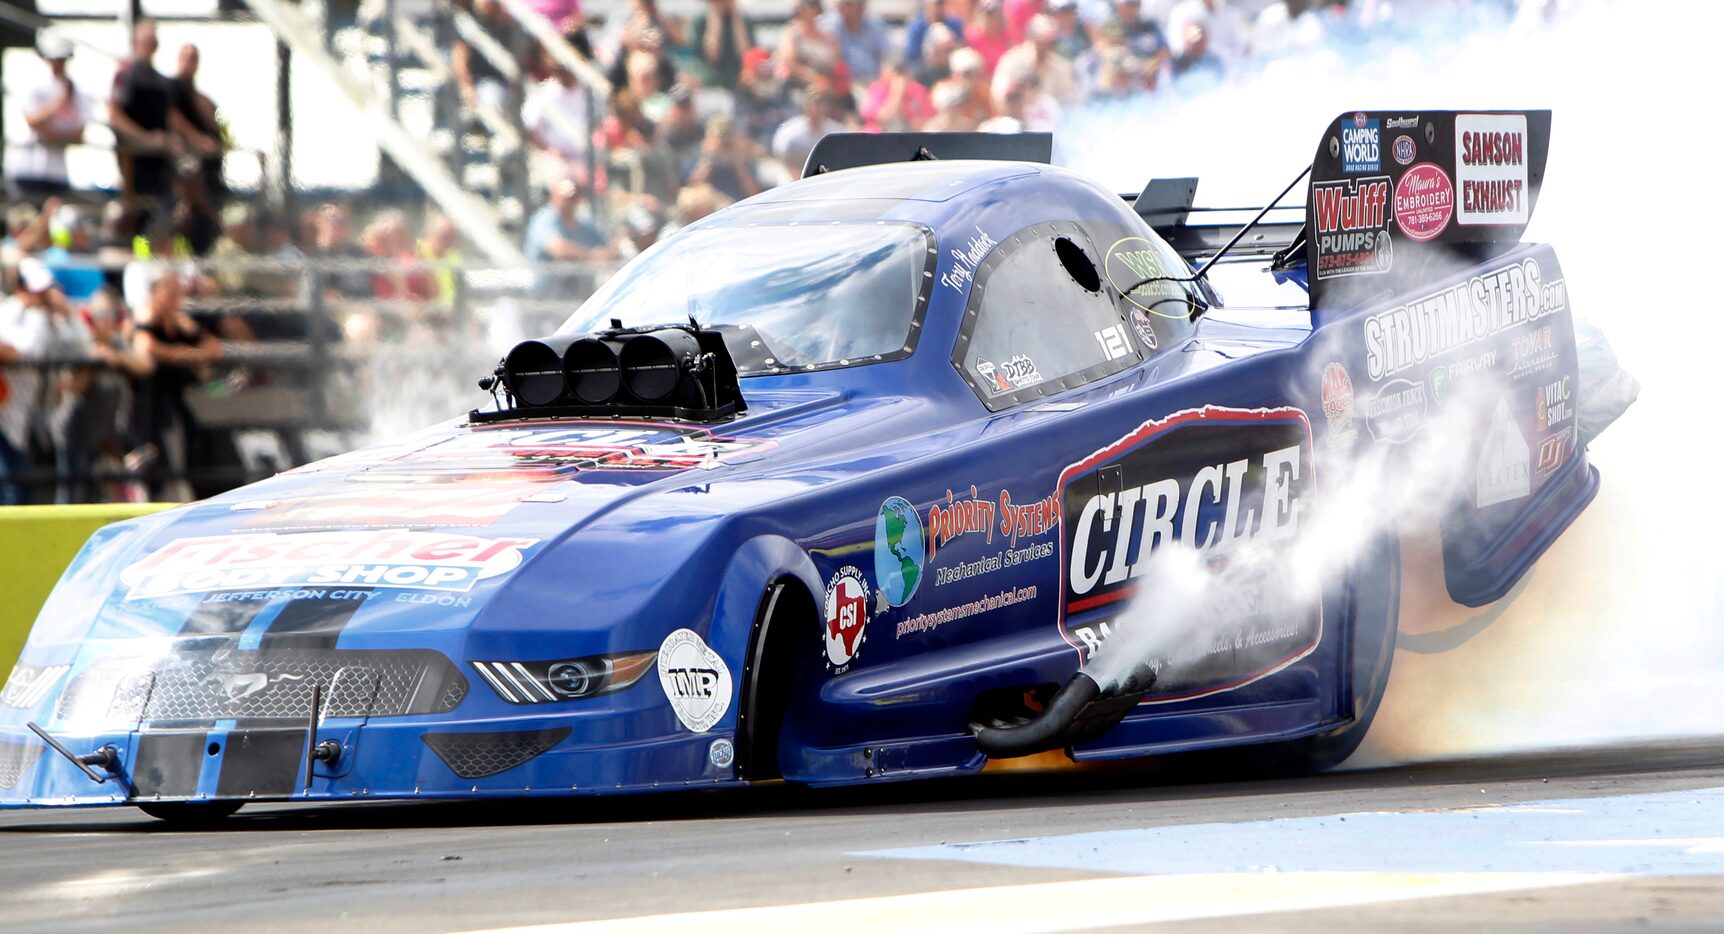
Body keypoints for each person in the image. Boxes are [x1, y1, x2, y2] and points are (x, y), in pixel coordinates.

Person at [129, 267, 220, 502]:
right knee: (155, 462)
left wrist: (187, 347)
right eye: (169, 293)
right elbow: (147, 347)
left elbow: (212, 348)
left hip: (174, 402)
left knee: (183, 456)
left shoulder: (178, 320)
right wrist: (186, 354)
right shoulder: (146, 316)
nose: (175, 299)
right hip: (149, 407)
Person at [0, 259, 67, 503]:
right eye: (35, 289)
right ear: (21, 288)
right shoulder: (7, 311)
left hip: (30, 413)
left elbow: (34, 350)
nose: (41, 295)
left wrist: (64, 311)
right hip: (6, 410)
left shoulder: (50, 319)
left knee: (20, 485)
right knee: (11, 486)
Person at [6, 35, 93, 201]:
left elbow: (79, 134)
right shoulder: (34, 85)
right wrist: (58, 104)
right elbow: (32, 121)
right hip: (27, 168)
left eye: (61, 59)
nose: (57, 63)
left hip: (57, 172)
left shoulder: (80, 93)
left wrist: (56, 134)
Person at [170, 43, 226, 255]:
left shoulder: (200, 99)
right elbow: (171, 116)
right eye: (186, 57)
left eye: (193, 58)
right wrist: (197, 140)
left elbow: (215, 124)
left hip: (205, 175)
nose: (189, 63)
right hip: (180, 164)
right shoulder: (171, 89)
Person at [524, 175, 616, 263]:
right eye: (563, 195)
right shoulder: (544, 219)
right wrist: (590, 256)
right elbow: (558, 248)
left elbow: (609, 246)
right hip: (549, 278)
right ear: (554, 194)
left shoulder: (585, 223)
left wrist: (608, 253)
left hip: (583, 279)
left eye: (574, 195)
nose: (568, 201)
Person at [523, 61, 596, 169]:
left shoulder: (589, 91)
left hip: (584, 159)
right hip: (552, 160)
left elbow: (600, 123)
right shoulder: (544, 92)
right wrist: (547, 150)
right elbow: (530, 129)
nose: (569, 72)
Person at [993, 14, 1076, 105]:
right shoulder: (1012, 60)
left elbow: (1069, 100)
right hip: (1016, 114)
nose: (1047, 46)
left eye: (1051, 42)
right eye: (1042, 41)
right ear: (1032, 38)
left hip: (1049, 116)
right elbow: (999, 95)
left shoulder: (1060, 67)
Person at [771, 88, 844, 181]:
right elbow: (786, 161)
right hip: (793, 179)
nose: (816, 108)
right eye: (813, 104)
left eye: (819, 104)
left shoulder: (836, 131)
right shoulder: (790, 134)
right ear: (806, 106)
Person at [686, 115, 761, 201]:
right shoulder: (697, 156)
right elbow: (693, 187)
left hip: (737, 203)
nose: (724, 145)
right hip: (710, 205)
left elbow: (753, 193)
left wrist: (738, 163)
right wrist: (709, 159)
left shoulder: (742, 158)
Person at [688, 0, 756, 91]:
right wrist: (715, 19)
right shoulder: (701, 20)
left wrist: (736, 18)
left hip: (738, 78)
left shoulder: (744, 20)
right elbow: (712, 54)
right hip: (712, 79)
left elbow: (745, 54)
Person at [823, 0, 892, 85]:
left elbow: (887, 58)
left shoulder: (875, 27)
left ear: (861, 6)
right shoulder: (830, 26)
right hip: (842, 85)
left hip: (872, 82)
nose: (842, 7)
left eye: (848, 4)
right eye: (840, 3)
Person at [777, 0, 841, 89]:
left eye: (813, 5)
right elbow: (790, 63)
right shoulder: (791, 34)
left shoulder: (828, 34)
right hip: (799, 85)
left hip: (827, 84)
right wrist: (813, 77)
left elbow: (836, 61)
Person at [861, 58, 934, 132]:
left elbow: (928, 117)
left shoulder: (917, 89)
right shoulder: (878, 89)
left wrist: (918, 122)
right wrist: (897, 93)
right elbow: (881, 118)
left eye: (902, 73)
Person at [904, 0, 965, 66]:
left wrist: (950, 45)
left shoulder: (954, 23)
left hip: (950, 65)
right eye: (934, 5)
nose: (937, 9)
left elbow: (961, 47)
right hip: (924, 68)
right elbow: (912, 55)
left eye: (939, 5)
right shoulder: (916, 27)